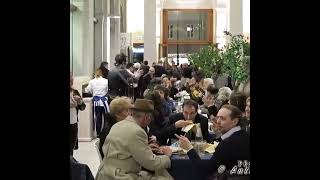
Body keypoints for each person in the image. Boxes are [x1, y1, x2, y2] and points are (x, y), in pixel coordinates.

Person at [96, 99, 173, 180]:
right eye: (151, 117)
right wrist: (167, 156)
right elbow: (151, 163)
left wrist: (146, 148)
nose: (151, 120)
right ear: (147, 117)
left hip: (105, 173)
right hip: (120, 176)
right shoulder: (137, 131)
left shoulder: (117, 125)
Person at [176, 105, 250, 179]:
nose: (218, 121)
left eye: (223, 119)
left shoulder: (228, 143)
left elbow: (204, 171)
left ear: (235, 121)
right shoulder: (244, 134)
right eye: (218, 117)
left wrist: (189, 148)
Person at [84, 69, 109, 137]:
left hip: (96, 102)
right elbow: (107, 90)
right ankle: (106, 132)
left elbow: (87, 90)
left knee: (98, 117)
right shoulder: (106, 81)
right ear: (102, 74)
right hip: (104, 102)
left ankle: (98, 133)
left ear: (95, 74)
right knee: (106, 118)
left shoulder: (92, 81)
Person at [70, 73, 86, 155]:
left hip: (73, 123)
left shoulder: (75, 92)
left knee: (71, 147)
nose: (71, 81)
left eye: (71, 79)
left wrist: (79, 101)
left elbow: (83, 107)